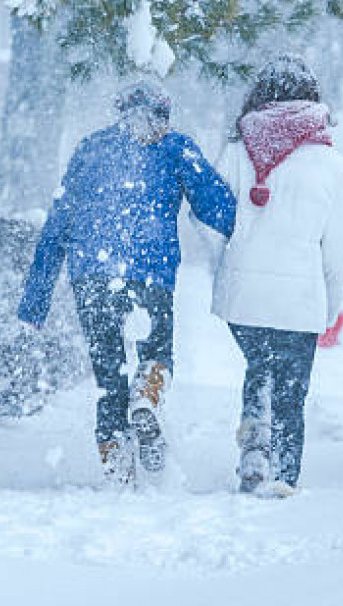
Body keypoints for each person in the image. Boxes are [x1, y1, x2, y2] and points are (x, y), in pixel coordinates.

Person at [18, 81, 236, 484]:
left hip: (93, 276)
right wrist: (254, 233)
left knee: (107, 377)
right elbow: (216, 204)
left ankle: (118, 472)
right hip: (149, 274)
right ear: (163, 116)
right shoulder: (176, 147)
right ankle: (147, 398)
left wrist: (35, 300)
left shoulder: (91, 148)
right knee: (156, 353)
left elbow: (58, 225)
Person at [210, 55, 343, 497]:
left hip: (244, 296)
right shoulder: (334, 167)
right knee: (291, 390)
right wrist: (329, 303)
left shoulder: (235, 153)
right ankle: (284, 475)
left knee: (260, 367)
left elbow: (209, 219)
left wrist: (230, 255)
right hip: (299, 297)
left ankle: (255, 451)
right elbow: (340, 249)